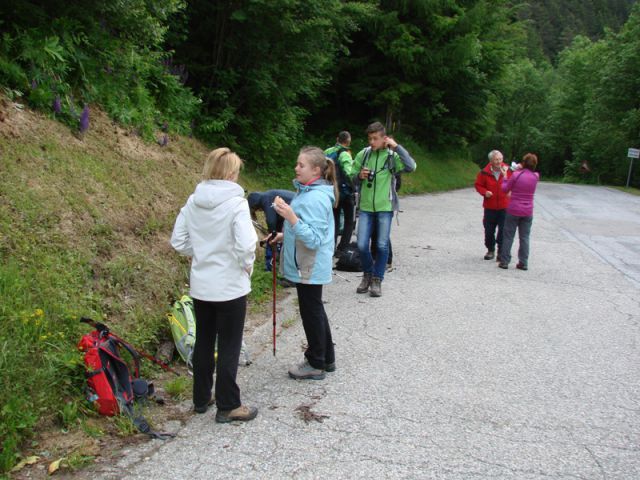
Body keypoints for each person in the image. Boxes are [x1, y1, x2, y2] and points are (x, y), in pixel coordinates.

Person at [170, 147, 258, 423]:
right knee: (230, 344)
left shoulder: (193, 201)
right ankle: (228, 404)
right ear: (232, 174)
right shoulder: (236, 203)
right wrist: (246, 265)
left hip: (202, 284)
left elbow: (178, 241)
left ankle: (201, 397)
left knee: (205, 340)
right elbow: (246, 244)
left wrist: (200, 253)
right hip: (230, 285)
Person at [269, 146, 337, 380]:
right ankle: (326, 358)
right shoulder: (307, 192)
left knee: (311, 311)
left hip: (309, 264)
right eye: (297, 164)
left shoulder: (316, 197)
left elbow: (315, 238)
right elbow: (304, 229)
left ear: (316, 170)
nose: (296, 168)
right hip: (306, 262)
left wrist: (290, 216)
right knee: (314, 308)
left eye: (301, 165)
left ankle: (316, 362)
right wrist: (282, 235)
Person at [352, 121, 416, 297]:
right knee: (362, 244)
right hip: (365, 208)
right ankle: (367, 274)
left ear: (384, 138)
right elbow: (351, 177)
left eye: (375, 138)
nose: (372, 142)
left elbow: (411, 166)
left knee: (381, 244)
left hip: (384, 208)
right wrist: (359, 176)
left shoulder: (391, 156)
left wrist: (397, 147)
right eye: (370, 138)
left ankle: (377, 279)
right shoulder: (363, 155)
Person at [498, 153, 540, 270]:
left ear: (523, 163)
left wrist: (505, 176)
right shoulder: (536, 176)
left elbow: (505, 189)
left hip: (514, 209)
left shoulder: (516, 175)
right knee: (524, 237)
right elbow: (530, 174)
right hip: (527, 211)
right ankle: (523, 262)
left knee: (508, 236)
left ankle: (504, 261)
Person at [475, 150, 511, 260]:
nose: (499, 161)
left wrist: (511, 191)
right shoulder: (484, 172)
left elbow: (514, 183)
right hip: (489, 207)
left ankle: (501, 251)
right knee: (489, 231)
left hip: (504, 206)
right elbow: (478, 185)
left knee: (503, 230)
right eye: (496, 159)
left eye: (500, 159)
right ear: (491, 160)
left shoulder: (508, 170)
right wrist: (485, 192)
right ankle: (490, 250)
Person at [247, 189, 295, 271]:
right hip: (295, 211)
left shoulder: (266, 199)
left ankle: (271, 266)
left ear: (255, 205)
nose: (259, 211)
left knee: (273, 237)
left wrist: (272, 236)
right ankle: (279, 264)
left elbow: (271, 221)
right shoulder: (268, 195)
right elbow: (278, 218)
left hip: (299, 211)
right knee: (278, 235)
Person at [324, 131, 356, 252]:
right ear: (348, 141)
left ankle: (331, 247)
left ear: (337, 139)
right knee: (349, 221)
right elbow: (349, 173)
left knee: (334, 220)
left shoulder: (327, 151)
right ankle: (342, 248)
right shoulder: (345, 154)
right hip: (345, 192)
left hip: (332, 191)